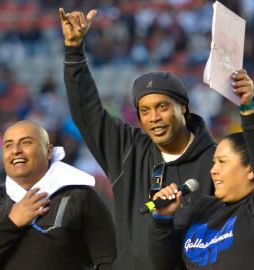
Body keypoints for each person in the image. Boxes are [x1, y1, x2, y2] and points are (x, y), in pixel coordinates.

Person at [59, 8, 216, 269]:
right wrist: (74, 52)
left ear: (184, 108)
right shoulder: (127, 150)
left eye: (162, 107)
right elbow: (88, 112)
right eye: (145, 110)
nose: (153, 117)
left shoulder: (216, 159)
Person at [148, 70, 254, 269]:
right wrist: (162, 221)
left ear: (251, 169)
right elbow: (166, 266)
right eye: (214, 163)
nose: (213, 170)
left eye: (222, 162)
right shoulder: (201, 209)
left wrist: (249, 108)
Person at [0, 120, 116, 270]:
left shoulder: (82, 197)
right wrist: (11, 224)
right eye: (8, 145)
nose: (15, 151)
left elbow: (110, 261)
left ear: (48, 151)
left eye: (26, 142)